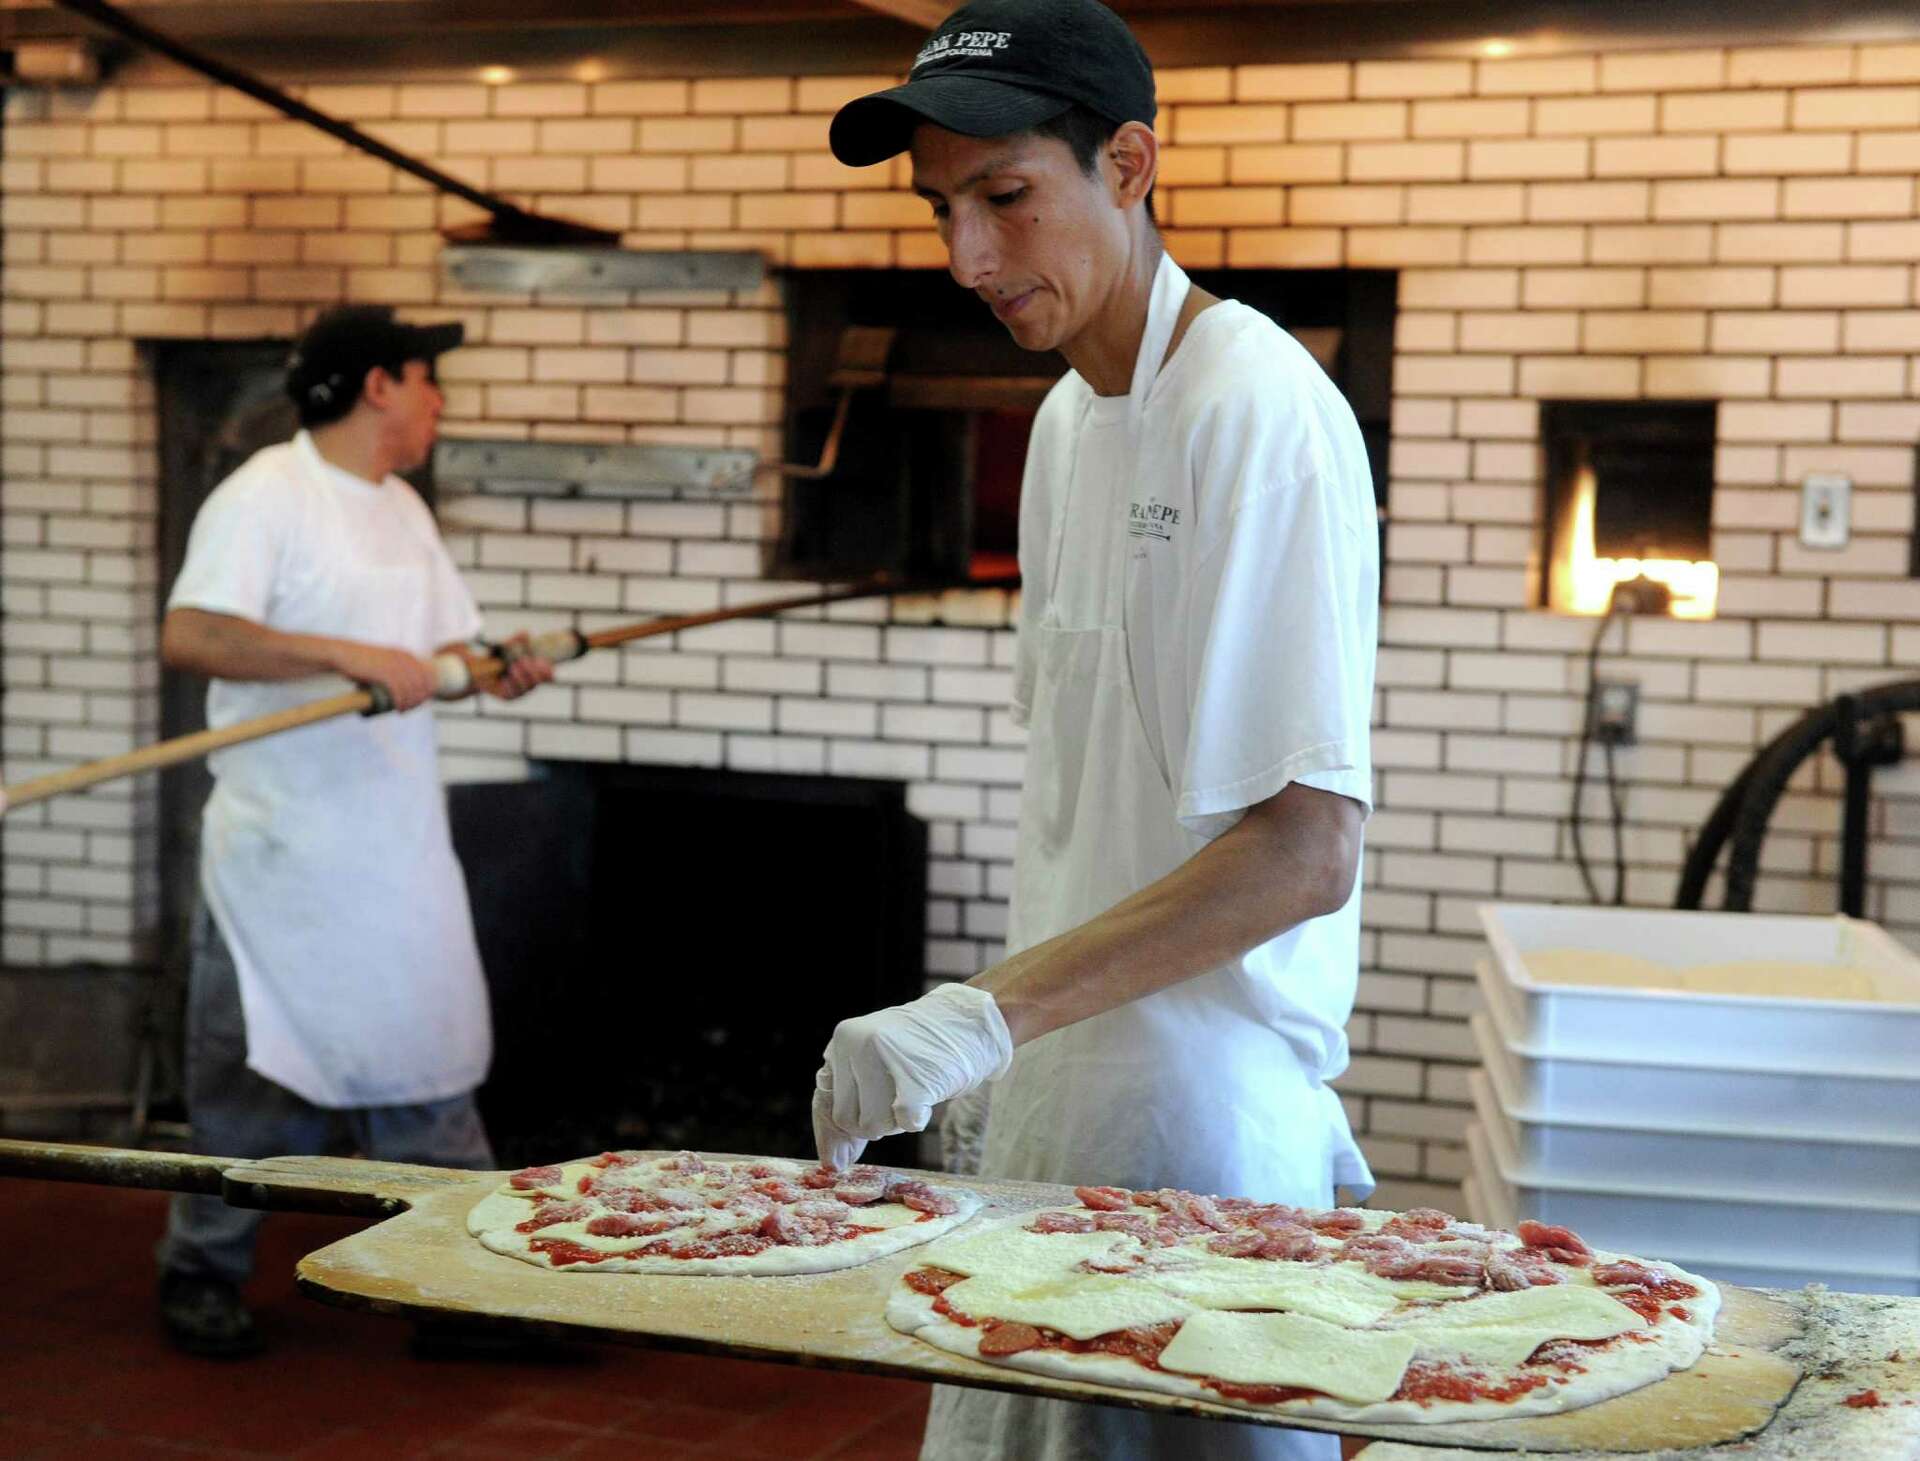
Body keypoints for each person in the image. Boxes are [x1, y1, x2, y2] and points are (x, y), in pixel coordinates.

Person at [812, 2, 1380, 1456]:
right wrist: (1002, 1052)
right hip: (1054, 1114)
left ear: (1128, 164)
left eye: (1007, 197)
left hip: (1201, 1145)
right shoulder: (1069, 421)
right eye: (945, 209)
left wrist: (978, 1012)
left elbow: (1304, 852)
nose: (969, 258)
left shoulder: (1257, 411)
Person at [154, 305, 554, 1358]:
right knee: (253, 1094)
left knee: (430, 1074)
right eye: (429, 379)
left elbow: (438, 654)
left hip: (393, 853)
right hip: (283, 859)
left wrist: (492, 660)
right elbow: (191, 632)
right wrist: (350, 654)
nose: (440, 401)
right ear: (378, 384)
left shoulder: (402, 515)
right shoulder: (264, 497)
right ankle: (200, 1272)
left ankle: (461, 1295)